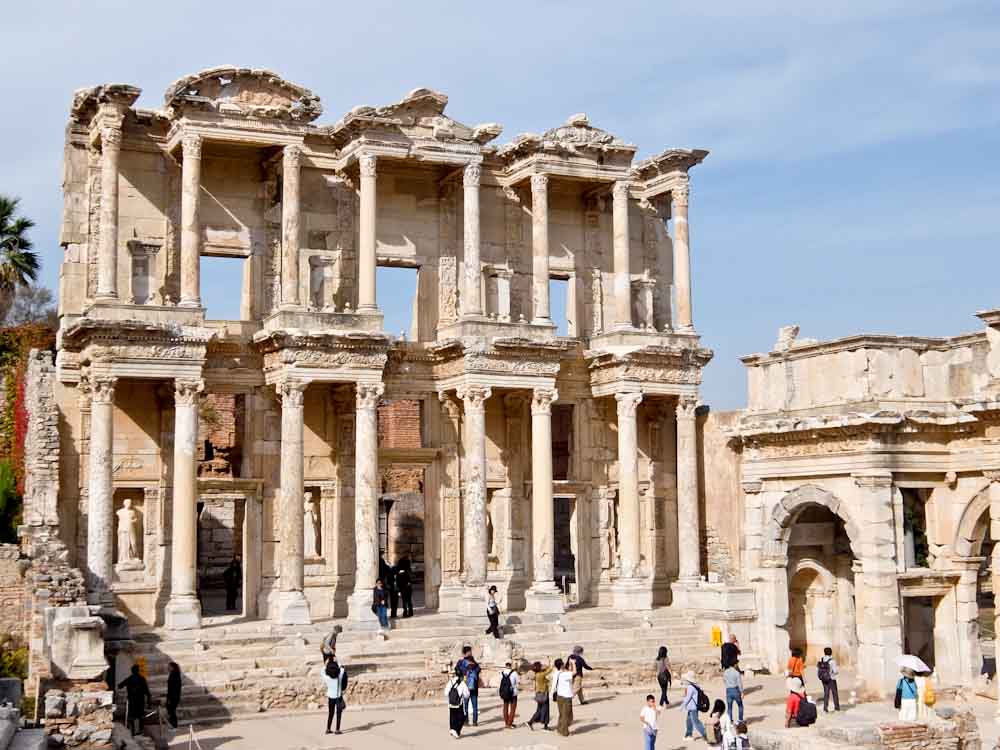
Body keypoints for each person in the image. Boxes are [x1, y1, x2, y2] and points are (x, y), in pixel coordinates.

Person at [118, 664, 152, 736]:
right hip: (140, 701)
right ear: (138, 671)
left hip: (132, 701)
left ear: (132, 671)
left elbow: (120, 686)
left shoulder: (129, 679)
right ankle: (140, 731)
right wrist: (149, 702)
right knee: (141, 716)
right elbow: (147, 691)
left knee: (132, 716)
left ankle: (133, 731)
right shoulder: (142, 679)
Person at [322, 658, 348, 735]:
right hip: (338, 697)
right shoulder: (339, 676)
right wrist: (336, 661)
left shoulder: (326, 678)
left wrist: (326, 663)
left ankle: (328, 728)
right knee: (338, 713)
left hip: (330, 697)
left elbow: (322, 670)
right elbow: (342, 668)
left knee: (331, 713)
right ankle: (337, 729)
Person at [681, 671, 708, 742]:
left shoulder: (690, 687)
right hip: (691, 708)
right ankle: (688, 735)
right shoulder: (694, 686)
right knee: (688, 721)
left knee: (696, 722)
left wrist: (681, 706)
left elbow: (688, 698)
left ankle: (706, 735)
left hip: (693, 708)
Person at [526, 661, 553, 731]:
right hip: (543, 694)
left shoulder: (537, 674)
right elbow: (550, 669)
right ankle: (531, 722)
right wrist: (549, 662)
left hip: (539, 694)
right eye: (541, 665)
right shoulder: (541, 675)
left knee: (539, 709)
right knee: (545, 710)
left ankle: (535, 722)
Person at [446, 665, 471, 739]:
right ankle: (456, 730)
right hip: (459, 703)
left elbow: (446, 692)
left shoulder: (450, 682)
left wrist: (451, 696)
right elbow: (467, 694)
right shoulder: (462, 683)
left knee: (452, 716)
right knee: (462, 718)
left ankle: (452, 729)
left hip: (451, 703)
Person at [554, 658, 575, 736]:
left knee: (562, 714)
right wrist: (573, 663)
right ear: (562, 665)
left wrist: (570, 664)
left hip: (560, 696)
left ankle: (559, 729)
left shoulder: (557, 673)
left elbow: (569, 672)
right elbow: (574, 672)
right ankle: (565, 732)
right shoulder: (565, 674)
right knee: (566, 715)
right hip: (566, 697)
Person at [817, 647, 840, 712]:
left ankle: (825, 708)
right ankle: (837, 708)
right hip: (831, 678)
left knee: (826, 693)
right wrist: (836, 672)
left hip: (823, 678)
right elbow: (835, 671)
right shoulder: (832, 661)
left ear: (824, 652)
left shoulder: (821, 659)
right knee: (834, 693)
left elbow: (818, 669)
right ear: (831, 652)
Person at [499, 661, 519, 728]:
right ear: (511, 665)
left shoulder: (502, 673)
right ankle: (509, 723)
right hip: (513, 692)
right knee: (513, 708)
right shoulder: (514, 673)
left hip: (504, 692)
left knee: (505, 707)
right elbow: (517, 682)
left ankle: (506, 722)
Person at [464, 654, 482, 726]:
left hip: (466, 690)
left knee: (465, 706)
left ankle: (466, 721)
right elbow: (479, 668)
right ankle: (475, 722)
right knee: (475, 706)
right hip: (474, 690)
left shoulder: (465, 669)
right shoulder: (476, 669)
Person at [165, 662, 181, 729]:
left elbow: (173, 688)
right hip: (173, 696)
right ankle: (173, 725)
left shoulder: (174, 675)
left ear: (172, 667)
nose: (168, 668)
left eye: (169, 666)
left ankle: (174, 726)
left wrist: (169, 697)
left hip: (173, 696)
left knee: (172, 711)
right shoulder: (174, 674)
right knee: (171, 711)